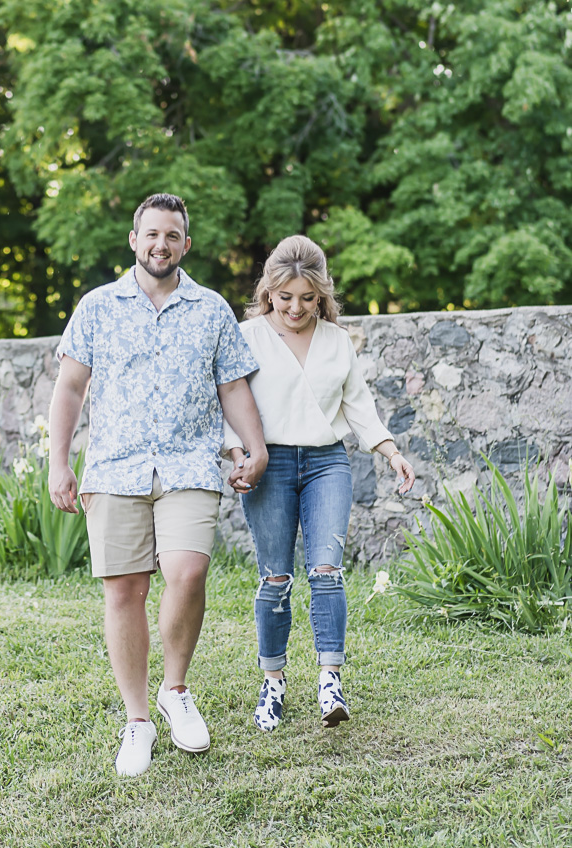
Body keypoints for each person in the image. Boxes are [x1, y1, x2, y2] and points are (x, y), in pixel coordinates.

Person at [48, 193, 269, 777]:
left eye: (172, 236)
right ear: (133, 240)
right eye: (151, 234)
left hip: (189, 465)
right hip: (115, 468)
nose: (160, 245)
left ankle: (176, 689)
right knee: (124, 592)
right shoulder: (97, 307)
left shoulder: (212, 309)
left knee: (187, 571)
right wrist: (58, 462)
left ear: (185, 245)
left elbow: (234, 388)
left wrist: (257, 445)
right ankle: (138, 720)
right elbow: (70, 389)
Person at [225, 234, 415, 732]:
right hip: (270, 464)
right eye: (285, 297)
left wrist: (390, 452)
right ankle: (273, 683)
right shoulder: (248, 336)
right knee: (276, 578)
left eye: (307, 299)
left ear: (321, 295)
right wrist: (237, 454)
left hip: (327, 462)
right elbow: (228, 402)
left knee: (327, 570)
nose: (295, 307)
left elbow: (359, 404)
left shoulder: (335, 340)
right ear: (269, 291)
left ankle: (330, 681)